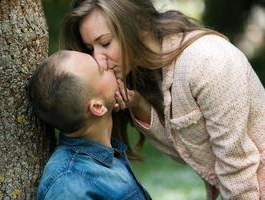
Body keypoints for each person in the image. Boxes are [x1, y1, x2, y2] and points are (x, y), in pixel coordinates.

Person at [60, 0, 265, 199]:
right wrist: (139, 104)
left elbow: (237, 167)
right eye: (90, 49)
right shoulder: (152, 73)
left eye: (105, 43)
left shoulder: (207, 62)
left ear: (141, 24)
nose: (98, 60)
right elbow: (191, 151)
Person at [28, 50, 151, 200]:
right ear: (97, 107)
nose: (106, 63)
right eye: (101, 70)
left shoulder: (104, 153)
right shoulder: (68, 185)